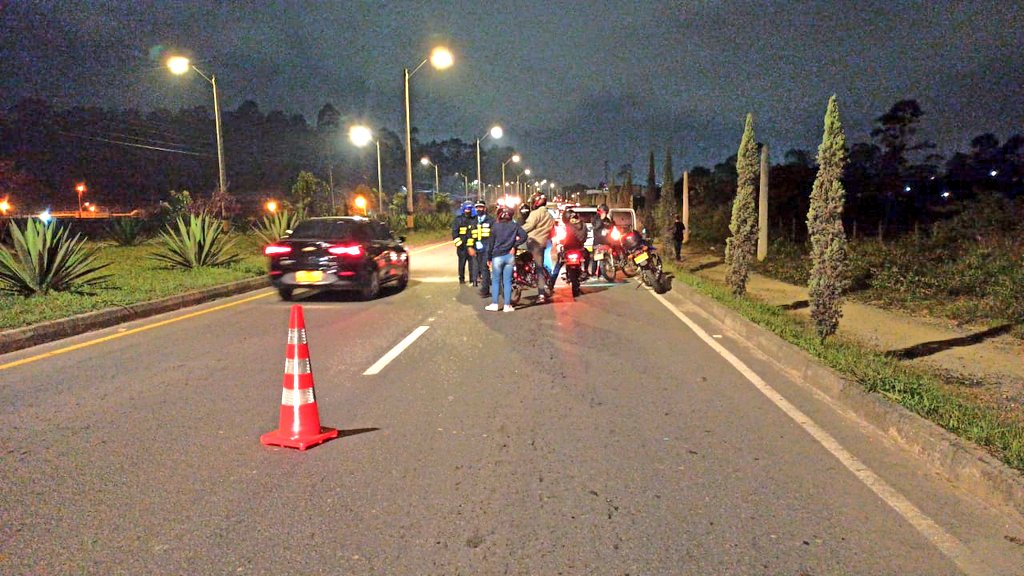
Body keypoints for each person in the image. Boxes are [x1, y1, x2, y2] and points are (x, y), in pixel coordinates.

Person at [485, 206, 528, 312]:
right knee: (507, 281)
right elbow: (524, 236)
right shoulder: (514, 226)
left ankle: (495, 304)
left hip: (496, 256)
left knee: (495, 281)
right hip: (509, 256)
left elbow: (490, 244)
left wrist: (488, 258)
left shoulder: (495, 226)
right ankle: (507, 305)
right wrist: (514, 245)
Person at [521, 193, 555, 303]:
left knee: (538, 268)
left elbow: (528, 226)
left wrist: (516, 230)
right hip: (543, 243)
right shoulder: (549, 215)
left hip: (533, 242)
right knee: (539, 266)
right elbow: (552, 232)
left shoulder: (535, 213)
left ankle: (541, 294)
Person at [548, 208, 587, 293]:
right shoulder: (583, 224)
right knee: (585, 258)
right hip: (579, 248)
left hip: (568, 249)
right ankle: (585, 272)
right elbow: (584, 238)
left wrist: (559, 242)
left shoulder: (567, 227)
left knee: (558, 265)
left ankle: (551, 283)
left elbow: (563, 238)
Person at [469, 201, 494, 297]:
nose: (479, 209)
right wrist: (470, 247)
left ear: (485, 208)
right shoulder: (473, 221)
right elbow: (470, 235)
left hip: (487, 247)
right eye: (477, 207)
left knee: (484, 267)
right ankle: (484, 286)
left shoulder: (490, 220)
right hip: (477, 247)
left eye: (481, 207)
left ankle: (485, 289)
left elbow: (493, 235)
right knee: (480, 267)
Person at [451, 201, 475, 284]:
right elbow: (454, 233)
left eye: (470, 209)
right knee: (462, 263)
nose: (468, 210)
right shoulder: (458, 220)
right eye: (467, 209)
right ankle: (461, 279)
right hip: (462, 246)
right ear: (463, 209)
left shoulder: (474, 219)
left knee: (472, 264)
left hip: (472, 246)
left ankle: (472, 279)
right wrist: (459, 244)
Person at [589, 203, 612, 277]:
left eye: (605, 212)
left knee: (607, 255)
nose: (604, 213)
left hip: (606, 241)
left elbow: (611, 226)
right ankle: (593, 273)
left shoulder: (607, 220)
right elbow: (596, 226)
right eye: (602, 211)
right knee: (595, 258)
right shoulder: (595, 218)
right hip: (598, 242)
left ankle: (606, 269)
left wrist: (609, 230)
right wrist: (601, 219)